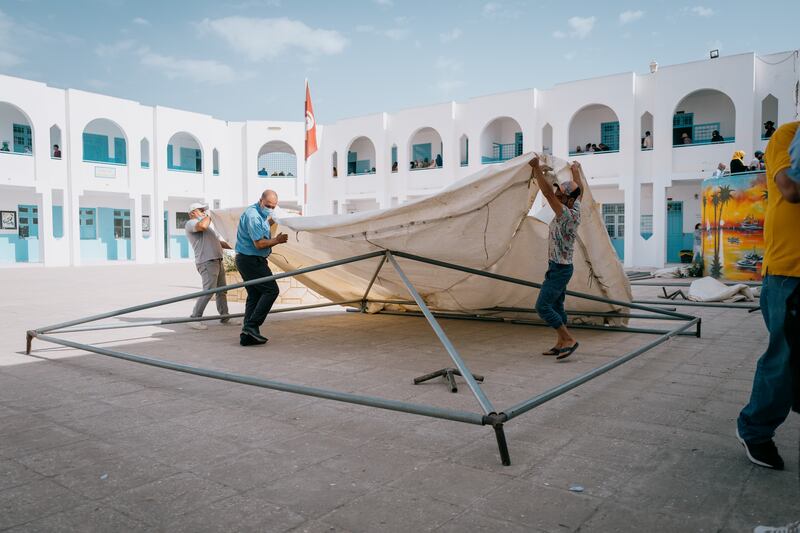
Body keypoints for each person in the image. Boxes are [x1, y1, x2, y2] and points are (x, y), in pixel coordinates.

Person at [736, 121, 800, 470]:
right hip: (791, 271)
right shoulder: (789, 135)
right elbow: (790, 189)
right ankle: (755, 429)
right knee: (785, 360)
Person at [529, 157, 583, 360]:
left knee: (542, 307)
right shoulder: (576, 206)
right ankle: (561, 343)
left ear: (568, 199)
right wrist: (576, 172)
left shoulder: (565, 214)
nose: (558, 194)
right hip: (561, 267)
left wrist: (536, 170)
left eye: (561, 193)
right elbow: (581, 190)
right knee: (557, 306)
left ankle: (569, 339)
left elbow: (546, 193)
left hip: (559, 269)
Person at [234, 189, 288, 346]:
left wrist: (278, 220)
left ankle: (247, 335)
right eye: (268, 205)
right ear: (260, 201)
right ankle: (251, 326)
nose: (270, 209)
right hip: (250, 260)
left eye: (273, 206)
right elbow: (259, 244)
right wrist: (277, 240)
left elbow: (263, 225)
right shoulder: (253, 216)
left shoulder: (261, 215)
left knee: (255, 295)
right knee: (271, 290)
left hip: (248, 260)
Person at [185, 202, 236, 330]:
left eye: (204, 210)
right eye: (201, 210)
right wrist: (210, 215)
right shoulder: (191, 223)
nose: (203, 212)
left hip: (217, 260)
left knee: (222, 291)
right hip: (207, 261)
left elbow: (218, 243)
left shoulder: (208, 228)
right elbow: (202, 225)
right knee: (209, 291)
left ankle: (225, 318)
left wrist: (236, 246)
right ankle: (194, 318)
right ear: (192, 213)